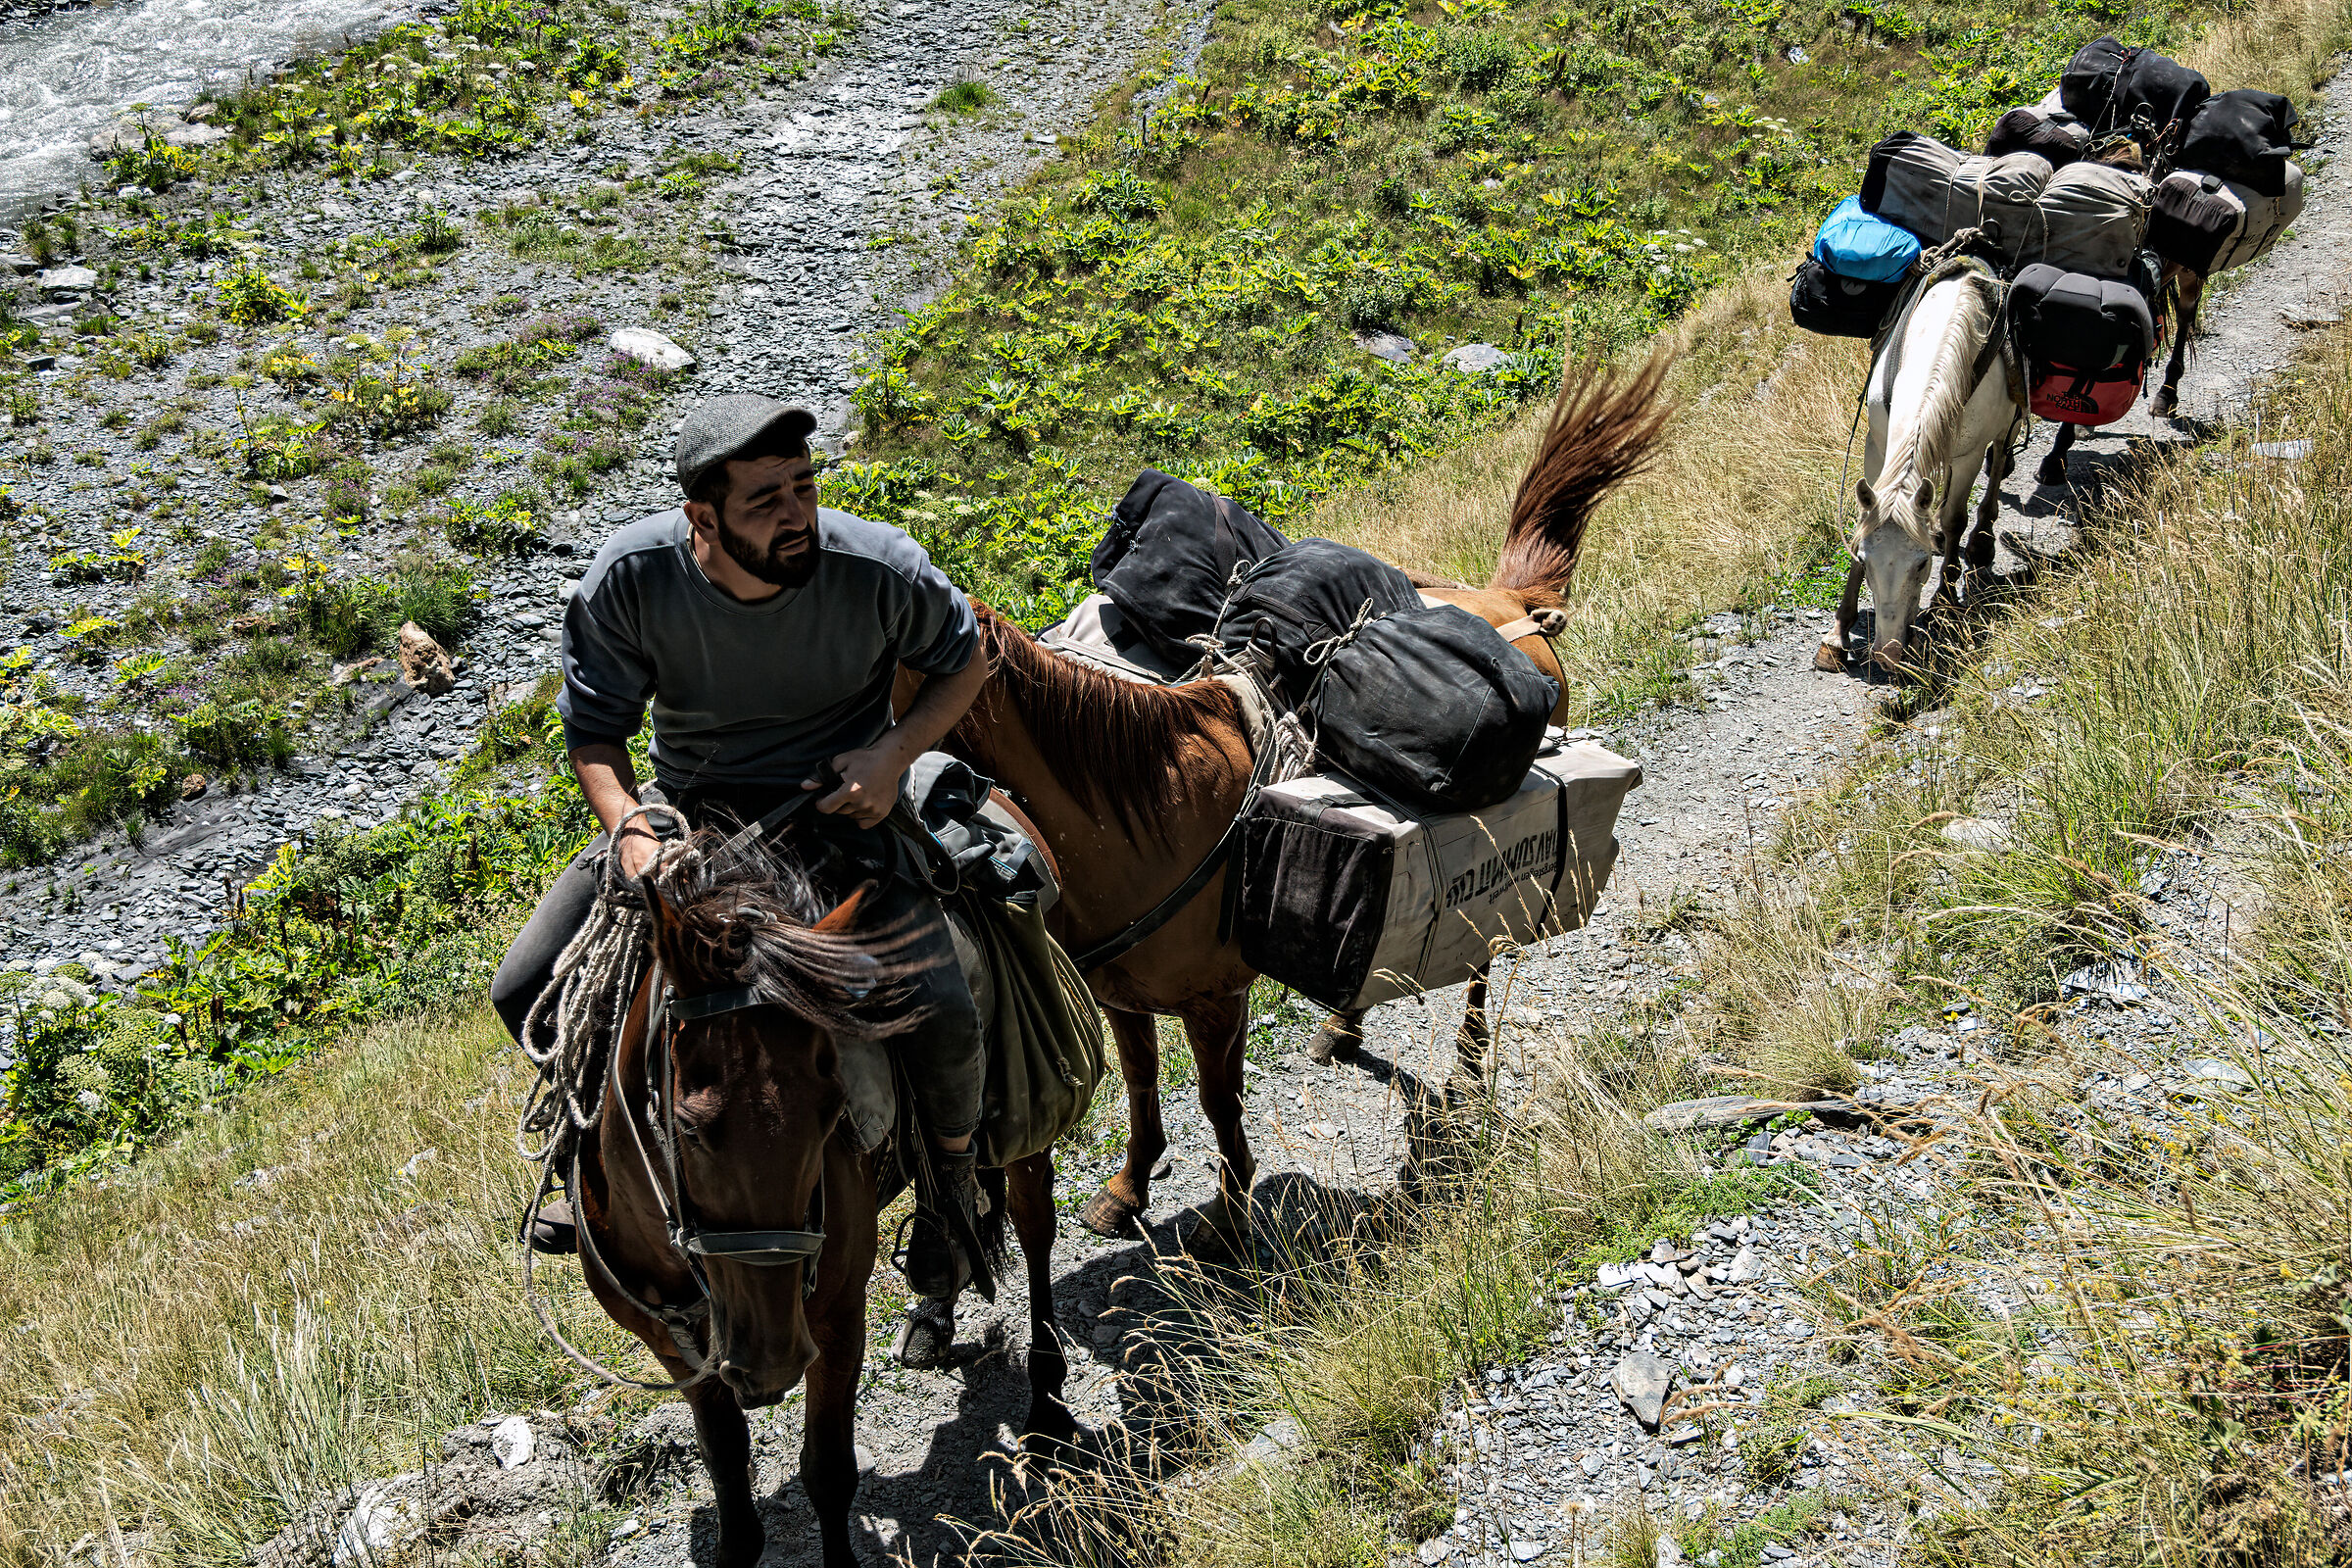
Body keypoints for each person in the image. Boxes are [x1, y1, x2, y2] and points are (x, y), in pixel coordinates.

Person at [489, 393, 991, 1298]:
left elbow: (964, 661)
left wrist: (891, 757)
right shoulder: (632, 578)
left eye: (804, 486)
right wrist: (629, 826)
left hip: (842, 821)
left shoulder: (877, 568)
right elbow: (596, 732)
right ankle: (588, 1165)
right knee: (525, 985)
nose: (797, 515)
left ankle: (951, 1187)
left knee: (945, 1008)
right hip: (692, 824)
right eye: (765, 500)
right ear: (703, 518)